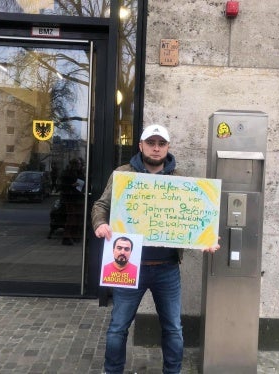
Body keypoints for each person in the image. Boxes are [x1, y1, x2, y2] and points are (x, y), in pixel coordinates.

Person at [91, 124, 220, 374]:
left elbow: (197, 218)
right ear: (141, 145)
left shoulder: (181, 182)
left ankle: (172, 371)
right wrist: (101, 223)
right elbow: (100, 205)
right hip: (128, 266)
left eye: (161, 143)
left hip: (167, 269)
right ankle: (112, 370)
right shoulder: (123, 174)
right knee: (118, 327)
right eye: (151, 143)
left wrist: (206, 238)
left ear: (168, 148)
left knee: (173, 328)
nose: (156, 148)